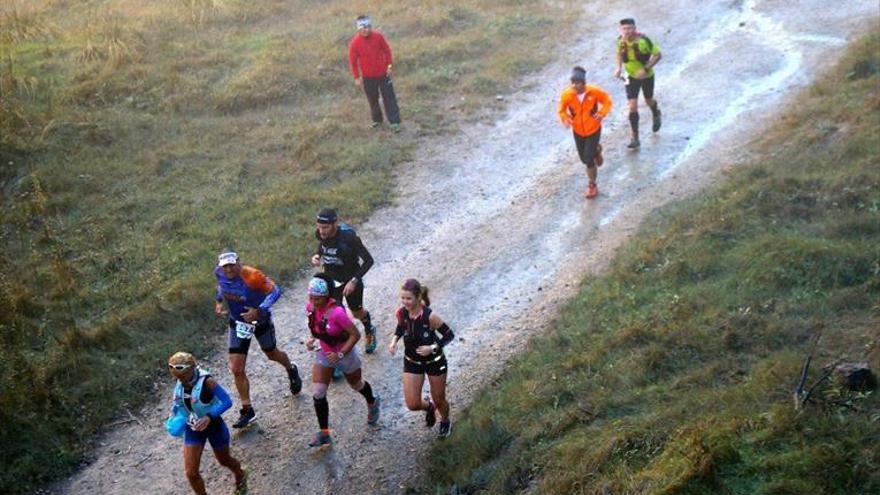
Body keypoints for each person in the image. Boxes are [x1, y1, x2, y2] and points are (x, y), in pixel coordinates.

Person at [214, 251, 302, 429]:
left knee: (272, 353)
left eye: (232, 265)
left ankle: (291, 368)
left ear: (239, 263)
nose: (229, 269)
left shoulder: (252, 276)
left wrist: (259, 309)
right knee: (237, 369)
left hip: (260, 321)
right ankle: (247, 410)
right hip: (237, 323)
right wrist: (218, 301)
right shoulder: (220, 272)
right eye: (225, 266)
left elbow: (275, 291)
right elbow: (220, 286)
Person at [304, 276, 381, 447]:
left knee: (356, 385)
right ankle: (324, 433)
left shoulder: (338, 313)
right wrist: (312, 340)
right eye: (311, 297)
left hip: (345, 354)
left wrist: (340, 354)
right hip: (325, 352)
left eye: (317, 298)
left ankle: (372, 401)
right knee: (318, 392)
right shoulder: (310, 308)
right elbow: (317, 328)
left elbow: (355, 335)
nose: (314, 302)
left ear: (326, 297)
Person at [166, 352, 247, 495]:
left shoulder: (207, 381)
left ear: (192, 369)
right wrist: (174, 414)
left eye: (183, 376)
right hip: (193, 428)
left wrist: (209, 417)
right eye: (178, 377)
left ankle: (240, 473)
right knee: (191, 473)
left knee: (224, 460)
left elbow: (227, 401)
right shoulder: (179, 379)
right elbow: (179, 401)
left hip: (214, 427)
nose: (181, 380)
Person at [388, 279, 455, 438]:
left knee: (439, 399)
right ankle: (429, 408)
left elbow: (449, 335)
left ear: (418, 297)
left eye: (408, 298)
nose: (405, 302)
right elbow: (400, 327)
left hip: (434, 362)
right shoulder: (402, 312)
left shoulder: (430, 316)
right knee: (412, 404)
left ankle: (445, 421)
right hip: (412, 362)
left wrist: (431, 348)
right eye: (402, 298)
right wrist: (394, 341)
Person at [310, 208, 379, 354]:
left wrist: (354, 281)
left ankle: (369, 329)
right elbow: (322, 245)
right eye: (319, 227)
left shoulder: (349, 238)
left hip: (351, 280)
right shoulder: (322, 234)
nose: (321, 231)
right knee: (333, 316)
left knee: (356, 312)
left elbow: (369, 261)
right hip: (331, 281)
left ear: (335, 224)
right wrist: (317, 255)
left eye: (325, 227)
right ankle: (338, 352)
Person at [558, 66, 612, 199]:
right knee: (583, 158)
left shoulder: (593, 92)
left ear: (584, 83)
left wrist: (601, 113)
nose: (575, 86)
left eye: (578, 83)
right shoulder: (567, 95)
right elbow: (561, 109)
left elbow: (607, 101)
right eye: (573, 83)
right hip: (578, 131)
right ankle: (596, 150)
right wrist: (565, 118)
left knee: (588, 159)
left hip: (593, 129)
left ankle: (592, 185)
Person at [614, 17, 662, 149]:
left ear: (635, 28)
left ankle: (656, 112)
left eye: (629, 28)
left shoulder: (644, 41)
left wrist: (645, 69)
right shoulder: (620, 41)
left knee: (648, 100)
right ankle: (635, 137)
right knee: (632, 106)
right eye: (624, 28)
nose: (627, 31)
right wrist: (618, 67)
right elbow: (618, 54)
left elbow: (658, 55)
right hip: (630, 77)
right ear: (620, 29)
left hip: (647, 76)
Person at [348, 14, 402, 133]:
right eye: (362, 28)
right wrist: (356, 77)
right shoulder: (355, 43)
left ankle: (395, 122)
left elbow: (387, 51)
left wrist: (389, 66)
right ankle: (377, 120)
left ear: (370, 26)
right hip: (368, 77)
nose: (365, 30)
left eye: (367, 27)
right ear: (358, 29)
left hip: (383, 74)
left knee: (389, 98)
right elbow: (353, 61)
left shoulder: (378, 37)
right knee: (373, 99)